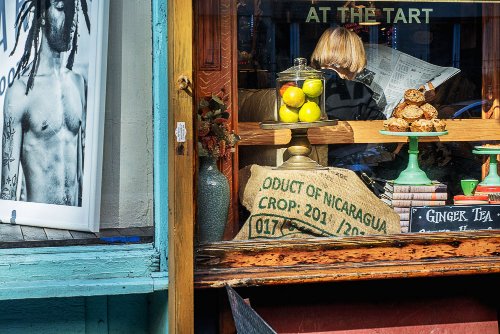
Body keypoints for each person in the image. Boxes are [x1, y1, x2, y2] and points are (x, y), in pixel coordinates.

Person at [1, 0, 90, 206]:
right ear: (42, 16)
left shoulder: (77, 83)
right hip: (38, 226)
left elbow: (80, 172)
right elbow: (7, 190)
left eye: (72, 11)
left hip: (74, 225)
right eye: (60, 9)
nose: (70, 20)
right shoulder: (21, 92)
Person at [310, 27, 389, 172]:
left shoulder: (299, 85)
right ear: (355, 56)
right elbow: (384, 132)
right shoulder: (357, 92)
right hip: (344, 172)